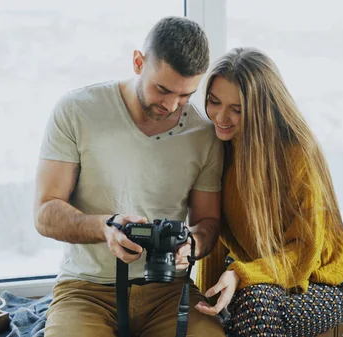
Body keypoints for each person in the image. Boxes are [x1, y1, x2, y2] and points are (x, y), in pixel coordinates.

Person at [34, 17, 225, 337]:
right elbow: (45, 212)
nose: (172, 106)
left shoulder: (203, 133)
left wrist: (192, 243)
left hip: (169, 291)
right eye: (162, 89)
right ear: (138, 62)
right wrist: (106, 228)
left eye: (185, 96)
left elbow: (208, 222)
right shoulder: (76, 110)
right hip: (86, 290)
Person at [195, 48, 343, 337]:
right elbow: (216, 231)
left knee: (254, 301)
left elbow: (305, 253)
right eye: (214, 102)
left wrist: (239, 274)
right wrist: (208, 302)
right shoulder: (219, 147)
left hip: (322, 281)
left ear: (262, 108)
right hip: (261, 276)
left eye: (237, 109)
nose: (221, 117)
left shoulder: (298, 154)